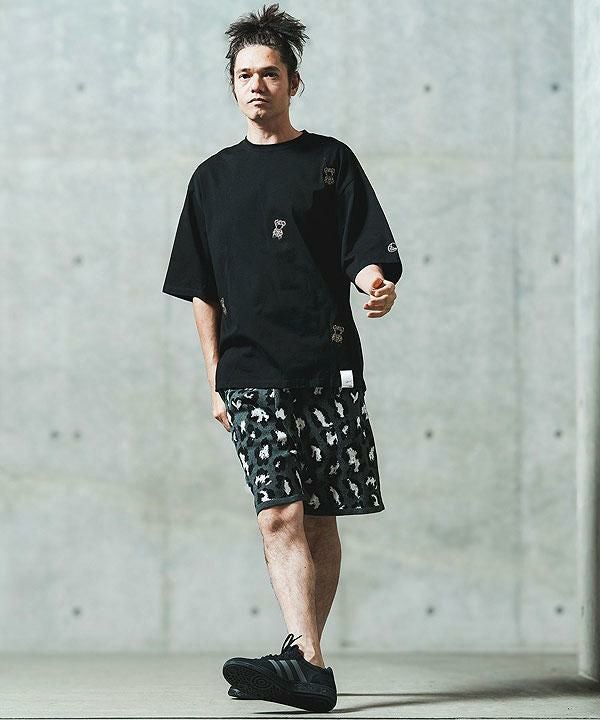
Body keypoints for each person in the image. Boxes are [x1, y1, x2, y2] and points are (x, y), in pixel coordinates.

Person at [161, 3, 402, 713]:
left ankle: (303, 658)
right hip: (250, 372)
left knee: (320, 518)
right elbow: (200, 289)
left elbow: (365, 249)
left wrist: (376, 284)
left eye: (269, 73)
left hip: (327, 368)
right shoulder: (212, 179)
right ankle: (311, 666)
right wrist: (215, 377)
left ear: (293, 82)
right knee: (278, 515)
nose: (257, 85)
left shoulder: (331, 162)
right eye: (244, 75)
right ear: (232, 86)